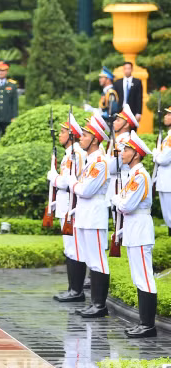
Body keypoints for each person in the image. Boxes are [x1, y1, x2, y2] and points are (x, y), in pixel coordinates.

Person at [112, 131, 156, 337]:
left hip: (139, 227)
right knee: (138, 277)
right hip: (133, 228)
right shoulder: (133, 176)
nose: (123, 152)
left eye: (127, 149)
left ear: (136, 154)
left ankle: (148, 325)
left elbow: (126, 204)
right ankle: (143, 322)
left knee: (144, 278)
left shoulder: (140, 177)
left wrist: (117, 201)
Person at [70, 113, 111, 318]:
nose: (80, 138)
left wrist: (73, 184)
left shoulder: (100, 162)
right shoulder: (91, 160)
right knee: (90, 259)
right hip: (85, 214)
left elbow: (86, 190)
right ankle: (94, 303)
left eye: (85, 135)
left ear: (95, 139)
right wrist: (79, 186)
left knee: (98, 260)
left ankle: (100, 305)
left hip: (94, 215)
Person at [48, 113, 86, 302]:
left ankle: (76, 291)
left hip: (72, 205)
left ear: (71, 135)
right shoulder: (69, 154)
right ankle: (73, 288)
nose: (60, 135)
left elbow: (66, 181)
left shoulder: (75, 154)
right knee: (69, 248)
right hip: (65, 204)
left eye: (63, 132)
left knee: (74, 248)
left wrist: (53, 178)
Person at [153, 104, 171, 233]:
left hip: (168, 182)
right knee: (168, 218)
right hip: (165, 182)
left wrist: (155, 153)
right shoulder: (168, 137)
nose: (166, 116)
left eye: (169, 114)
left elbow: (163, 159)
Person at [0, 61, 18, 138]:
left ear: (7, 71)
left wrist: (14, 116)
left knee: (6, 137)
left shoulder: (12, 84)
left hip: (7, 117)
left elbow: (14, 102)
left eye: (3, 70)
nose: (1, 72)